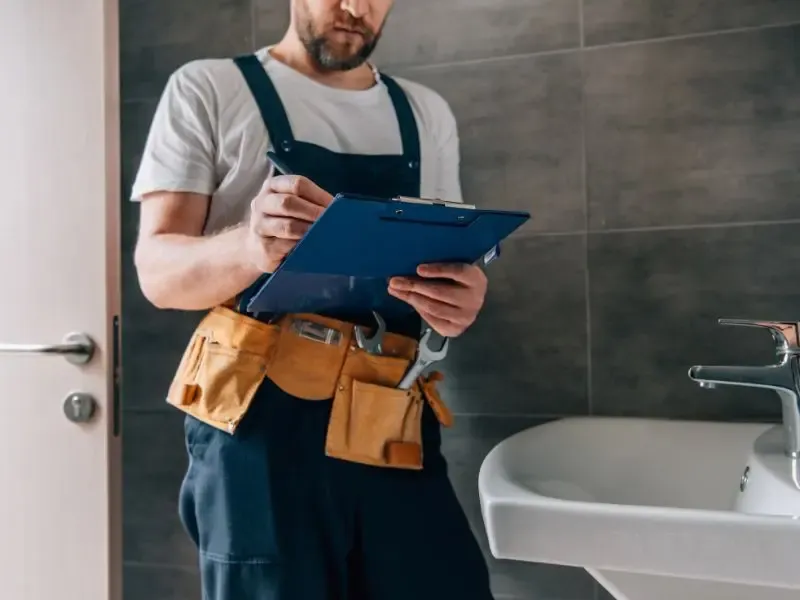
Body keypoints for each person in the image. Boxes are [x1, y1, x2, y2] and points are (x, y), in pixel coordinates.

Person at [131, 1, 494, 599]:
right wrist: (250, 247)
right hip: (257, 425)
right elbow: (158, 275)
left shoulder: (425, 111)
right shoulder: (209, 87)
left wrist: (458, 298)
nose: (355, 7)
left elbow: (445, 256)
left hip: (390, 414)